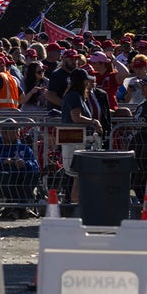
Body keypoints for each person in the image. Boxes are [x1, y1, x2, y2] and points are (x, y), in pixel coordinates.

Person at [61, 67, 103, 203]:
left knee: (78, 177)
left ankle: (77, 205)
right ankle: (76, 207)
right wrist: (94, 121)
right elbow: (76, 117)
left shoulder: (74, 95)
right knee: (78, 176)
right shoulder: (74, 95)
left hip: (75, 138)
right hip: (74, 139)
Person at [0, 119, 40, 219]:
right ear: (4, 133)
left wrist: (25, 163)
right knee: (3, 176)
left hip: (21, 176)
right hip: (4, 177)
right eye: (14, 132)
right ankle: (19, 207)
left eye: (17, 131)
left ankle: (16, 208)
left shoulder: (23, 147)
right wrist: (3, 162)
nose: (17, 134)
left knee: (31, 173)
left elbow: (35, 165)